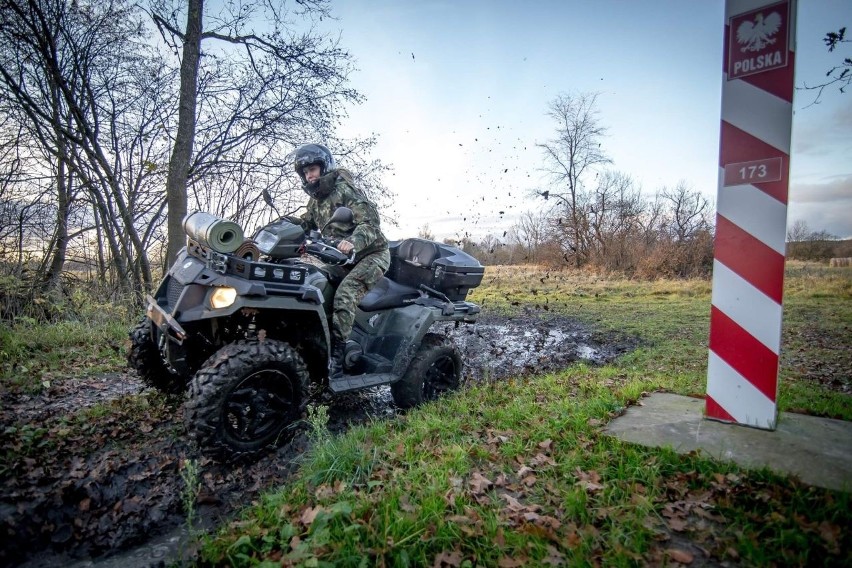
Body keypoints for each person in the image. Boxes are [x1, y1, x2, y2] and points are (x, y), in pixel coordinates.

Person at [290, 143, 390, 380]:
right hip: (340, 257)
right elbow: (306, 223)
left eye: (313, 169)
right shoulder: (316, 201)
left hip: (371, 255)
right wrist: (282, 227)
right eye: (305, 172)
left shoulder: (345, 190)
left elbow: (370, 223)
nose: (309, 175)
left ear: (325, 168)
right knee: (313, 283)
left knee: (345, 294)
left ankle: (337, 359)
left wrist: (353, 241)